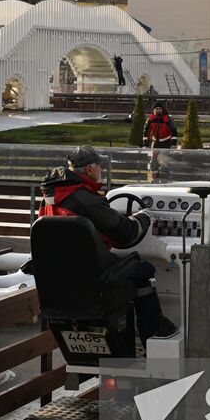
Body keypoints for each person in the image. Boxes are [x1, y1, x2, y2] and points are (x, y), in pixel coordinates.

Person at [38, 146, 177, 342]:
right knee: (143, 270)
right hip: (94, 275)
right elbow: (126, 233)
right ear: (89, 169)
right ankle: (153, 331)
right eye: (98, 166)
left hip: (63, 275)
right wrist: (144, 217)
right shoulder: (87, 199)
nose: (101, 170)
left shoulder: (51, 198)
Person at [142, 100, 178, 176]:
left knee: (165, 161)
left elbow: (173, 131)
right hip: (155, 143)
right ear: (154, 110)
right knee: (153, 161)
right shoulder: (151, 119)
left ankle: (165, 178)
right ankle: (154, 178)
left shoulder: (167, 119)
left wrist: (173, 144)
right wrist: (145, 143)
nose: (158, 110)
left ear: (162, 110)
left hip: (166, 143)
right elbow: (146, 131)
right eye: (156, 109)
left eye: (159, 109)